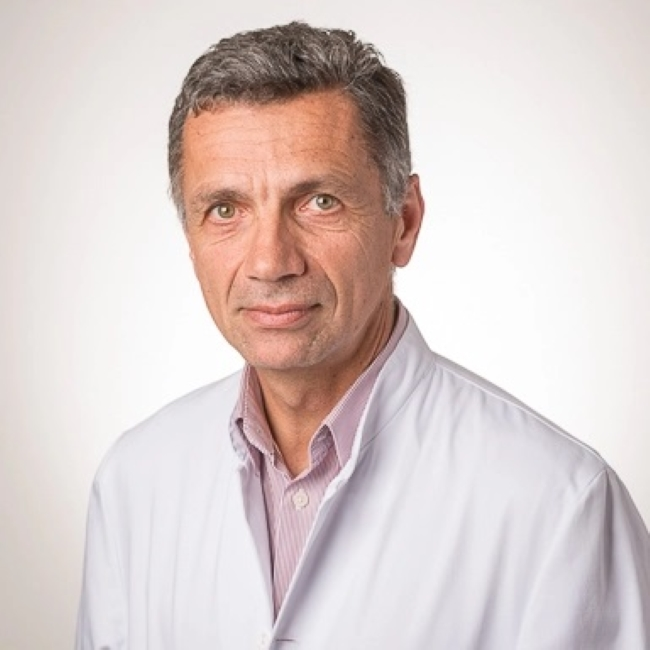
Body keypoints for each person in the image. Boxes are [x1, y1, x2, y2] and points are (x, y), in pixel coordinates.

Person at [76, 22, 650, 649]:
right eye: (225, 209)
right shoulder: (134, 482)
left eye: (319, 201)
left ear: (404, 221)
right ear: (189, 236)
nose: (270, 261)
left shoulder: (560, 505)